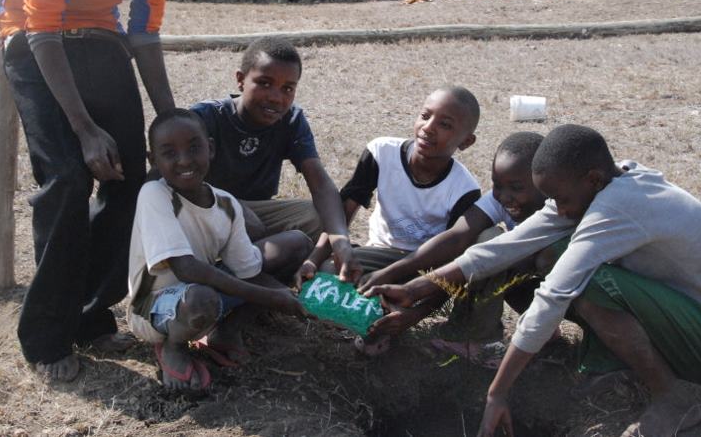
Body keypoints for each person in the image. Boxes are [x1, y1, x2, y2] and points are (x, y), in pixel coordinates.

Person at [368, 124, 701, 437]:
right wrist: (417, 286)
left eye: (560, 199)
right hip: (679, 324)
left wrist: (498, 392)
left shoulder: (619, 207)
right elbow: (506, 246)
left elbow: (553, 296)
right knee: (552, 252)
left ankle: (673, 398)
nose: (557, 207)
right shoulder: (601, 184)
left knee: (586, 279)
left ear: (591, 179)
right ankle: (613, 362)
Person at [0, 0, 183, 381]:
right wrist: (83, 128)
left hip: (99, 38)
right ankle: (46, 337)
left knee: (130, 178)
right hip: (34, 43)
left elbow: (144, 29)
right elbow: (42, 23)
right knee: (70, 181)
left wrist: (169, 117)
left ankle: (88, 309)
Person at [127, 109, 311, 391]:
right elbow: (186, 268)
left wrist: (292, 296)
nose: (185, 160)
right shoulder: (154, 194)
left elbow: (248, 272)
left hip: (205, 290)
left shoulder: (226, 203)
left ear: (211, 148)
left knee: (296, 244)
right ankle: (173, 345)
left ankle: (225, 331)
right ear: (153, 161)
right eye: (169, 153)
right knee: (202, 298)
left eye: (194, 148)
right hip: (154, 306)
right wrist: (270, 296)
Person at [297, 86, 481, 353]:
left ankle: (388, 318)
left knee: (392, 295)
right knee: (326, 274)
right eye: (424, 115)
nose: (428, 128)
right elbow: (342, 214)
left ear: (466, 142)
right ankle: (378, 314)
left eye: (445, 124)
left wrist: (416, 315)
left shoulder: (464, 189)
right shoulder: (381, 152)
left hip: (425, 268)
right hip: (381, 254)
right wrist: (313, 259)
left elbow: (453, 266)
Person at [355, 131, 547, 354]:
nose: (504, 196)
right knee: (487, 239)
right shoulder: (499, 200)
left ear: (545, 183)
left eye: (516, 188)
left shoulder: (563, 210)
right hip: (530, 285)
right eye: (496, 184)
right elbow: (457, 236)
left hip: (572, 291)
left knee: (503, 252)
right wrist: (391, 273)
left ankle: (491, 341)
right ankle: (473, 334)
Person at [191, 36, 361, 282]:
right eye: (264, 83)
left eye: (287, 88)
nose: (276, 97)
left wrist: (341, 242)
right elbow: (171, 183)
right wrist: (230, 207)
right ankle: (233, 276)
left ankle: (261, 268)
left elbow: (321, 185)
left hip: (257, 219)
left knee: (317, 216)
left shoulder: (291, 120)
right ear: (240, 80)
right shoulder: (205, 117)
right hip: (204, 210)